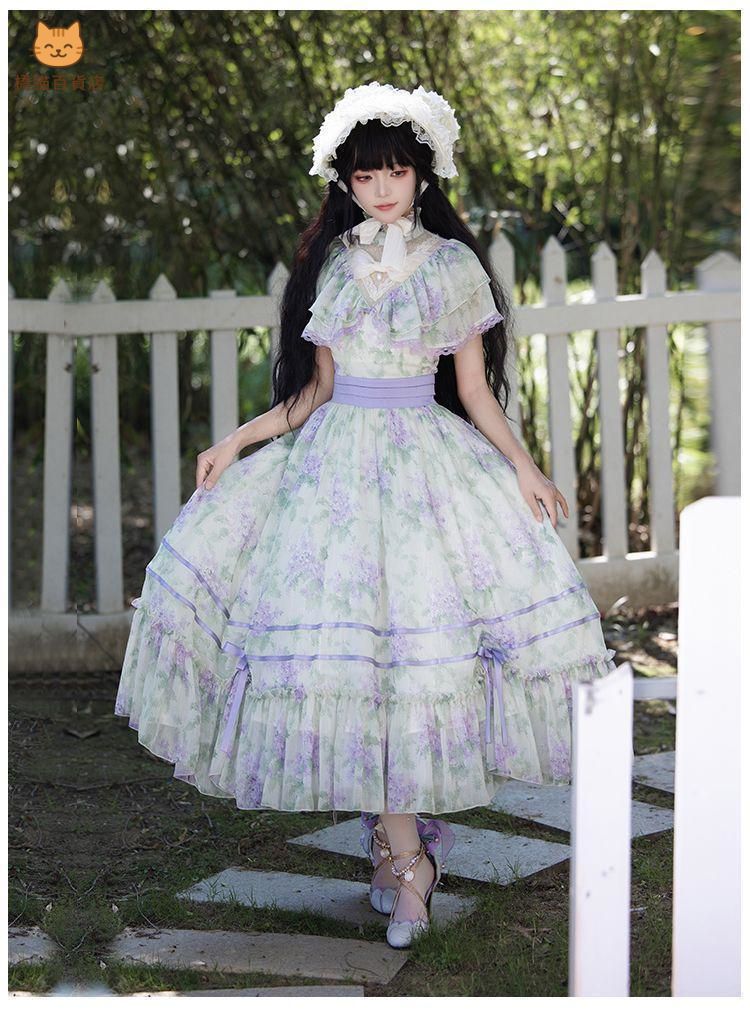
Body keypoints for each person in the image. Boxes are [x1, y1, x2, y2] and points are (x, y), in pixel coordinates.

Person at [115, 82, 617, 949]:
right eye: (365, 175)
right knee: (354, 662)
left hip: (421, 471)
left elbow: (473, 391)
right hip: (333, 477)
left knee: (407, 660)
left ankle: (406, 859)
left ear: (423, 175)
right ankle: (400, 850)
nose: (382, 188)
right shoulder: (337, 263)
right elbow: (316, 391)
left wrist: (525, 468)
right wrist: (234, 441)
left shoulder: (452, 266)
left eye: (397, 172)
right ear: (345, 182)